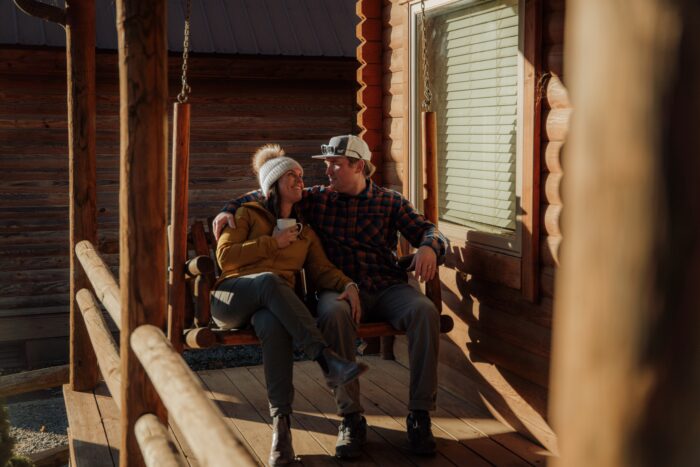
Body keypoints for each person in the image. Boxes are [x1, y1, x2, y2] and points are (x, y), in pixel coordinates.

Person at [214, 135, 446, 458]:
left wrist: (428, 246)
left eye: (335, 164)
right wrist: (229, 208)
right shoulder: (318, 200)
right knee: (333, 313)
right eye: (326, 165)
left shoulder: (390, 202)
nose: (327, 172)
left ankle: (420, 416)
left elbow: (429, 230)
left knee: (424, 311)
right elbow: (270, 189)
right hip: (332, 291)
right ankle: (350, 418)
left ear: (359, 166)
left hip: (386, 287)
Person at [212, 144, 368, 466]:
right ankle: (327, 360)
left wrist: (348, 284)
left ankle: (280, 435)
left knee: (272, 324)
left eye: (300, 175)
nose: (300, 180)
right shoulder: (245, 215)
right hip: (232, 297)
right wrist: (273, 243)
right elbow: (225, 257)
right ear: (273, 185)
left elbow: (323, 270)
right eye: (291, 176)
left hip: (270, 308)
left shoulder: (304, 233)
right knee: (270, 281)